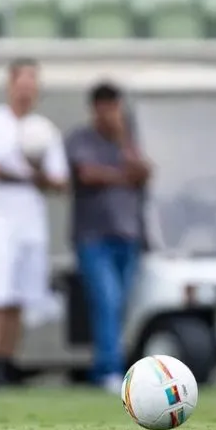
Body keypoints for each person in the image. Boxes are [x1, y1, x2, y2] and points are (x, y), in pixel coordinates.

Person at [0, 58, 68, 390]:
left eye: (32, 85)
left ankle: (7, 361)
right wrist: (32, 173)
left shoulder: (44, 129)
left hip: (30, 224)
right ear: (10, 84)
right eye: (22, 84)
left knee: (19, 297)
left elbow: (59, 181)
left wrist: (38, 173)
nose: (27, 91)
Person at [65, 82, 150, 394]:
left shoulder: (129, 138)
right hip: (94, 236)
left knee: (121, 304)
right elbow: (88, 174)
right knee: (107, 300)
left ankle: (112, 362)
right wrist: (122, 175)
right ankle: (108, 369)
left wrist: (123, 140)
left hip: (128, 235)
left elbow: (144, 172)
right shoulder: (81, 139)